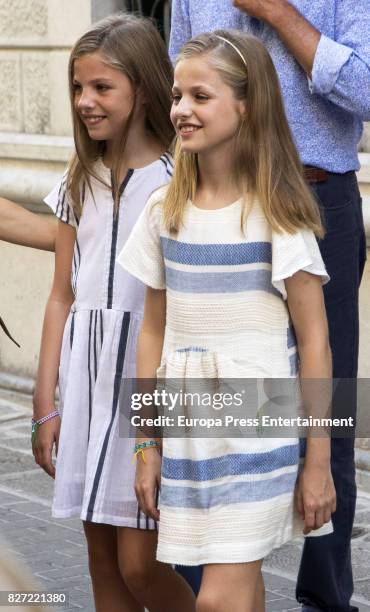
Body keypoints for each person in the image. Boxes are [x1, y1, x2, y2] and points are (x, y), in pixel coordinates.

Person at [118, 31, 336, 612]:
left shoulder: (278, 214)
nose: (180, 110)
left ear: (247, 106)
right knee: (239, 593)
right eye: (176, 96)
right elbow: (152, 333)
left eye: (200, 96)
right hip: (190, 435)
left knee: (216, 601)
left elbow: (315, 342)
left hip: (259, 426)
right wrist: (146, 445)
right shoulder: (164, 212)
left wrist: (319, 462)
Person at [169, 3, 369, 610]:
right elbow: (172, 91)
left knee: (324, 402)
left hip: (312, 200)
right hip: (211, 206)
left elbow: (366, 87)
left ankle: (323, 598)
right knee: (211, 397)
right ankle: (215, 581)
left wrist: (279, 13)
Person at [32, 14, 195, 612]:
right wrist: (44, 403)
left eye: (102, 87)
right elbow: (60, 294)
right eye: (79, 87)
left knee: (140, 563)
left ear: (144, 90)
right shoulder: (80, 179)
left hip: (143, 378)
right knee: (101, 557)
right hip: (85, 381)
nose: (85, 101)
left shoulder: (180, 183)